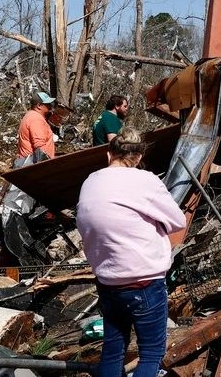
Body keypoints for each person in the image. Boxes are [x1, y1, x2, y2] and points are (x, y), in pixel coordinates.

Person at [77, 128, 186, 377]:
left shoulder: (91, 180)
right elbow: (178, 221)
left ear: (109, 155)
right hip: (144, 281)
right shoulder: (145, 180)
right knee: (150, 354)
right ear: (138, 158)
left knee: (113, 350)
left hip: (107, 281)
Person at [14, 91, 56, 168]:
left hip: (28, 162)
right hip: (32, 165)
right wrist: (47, 166)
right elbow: (39, 145)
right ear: (39, 105)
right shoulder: (36, 119)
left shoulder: (30, 115)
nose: (50, 106)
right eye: (47, 104)